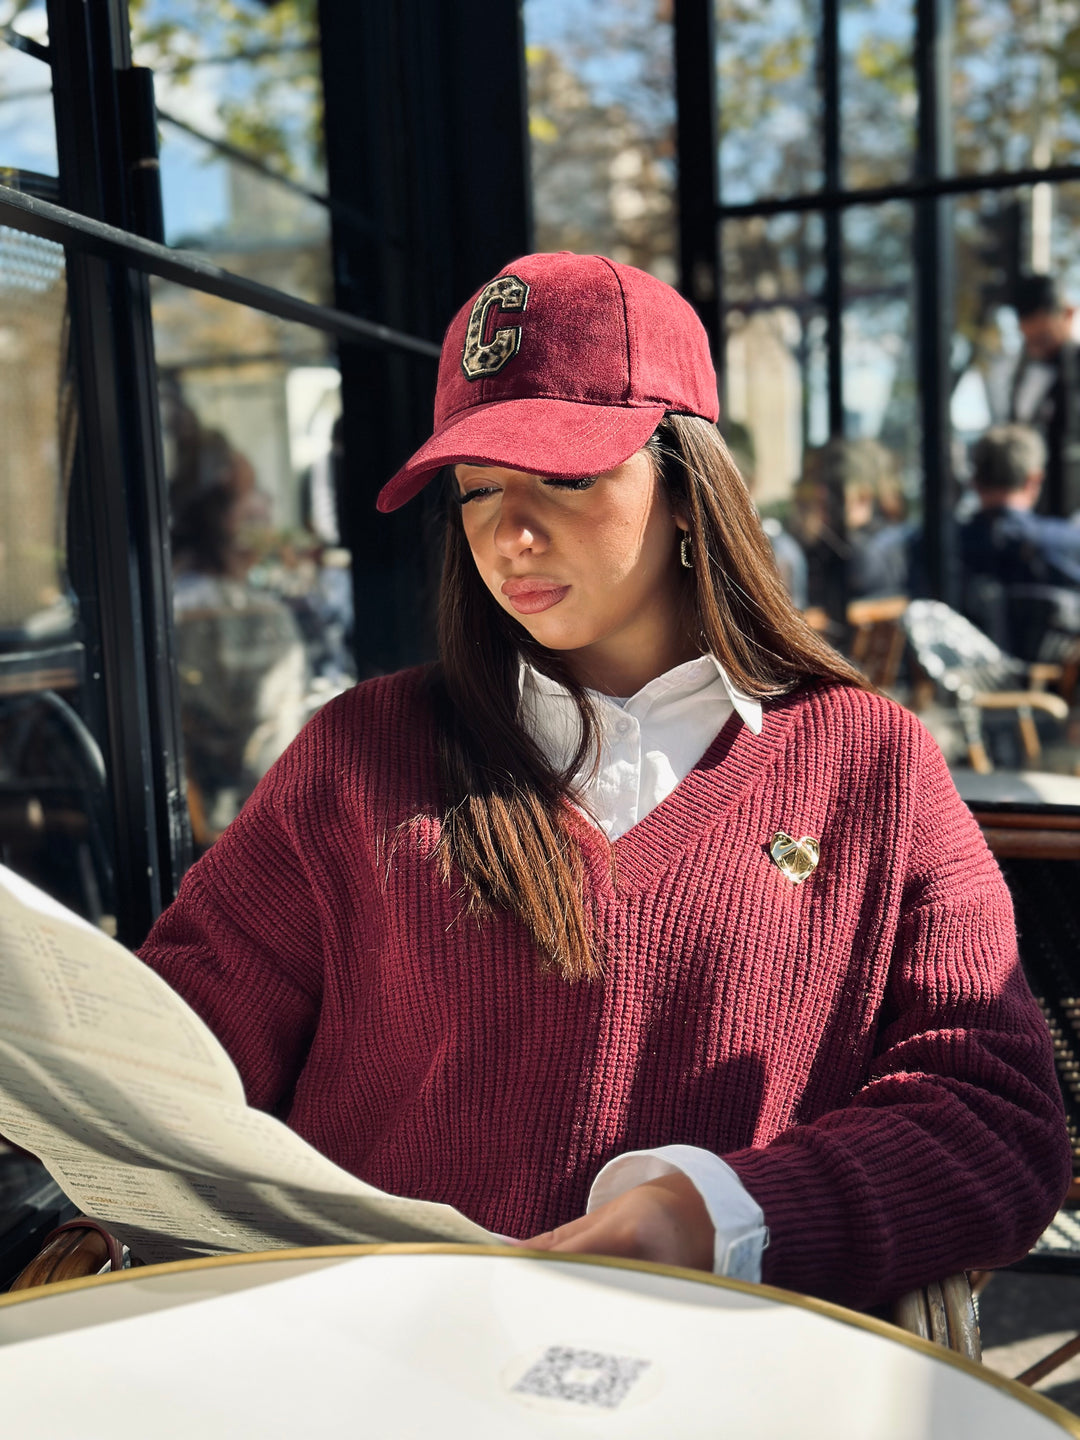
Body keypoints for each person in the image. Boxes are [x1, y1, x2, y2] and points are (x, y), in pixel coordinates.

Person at [138, 252, 1070, 1311]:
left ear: (686, 487)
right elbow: (175, 1051)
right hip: (377, 1369)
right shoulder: (361, 752)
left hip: (716, 1389)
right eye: (478, 487)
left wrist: (717, 1217)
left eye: (566, 475)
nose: (508, 531)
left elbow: (996, 1120)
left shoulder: (870, 765)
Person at [959, 423, 1080, 660]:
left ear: (975, 481)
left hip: (962, 685)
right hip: (1050, 690)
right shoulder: (1066, 543)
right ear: (1034, 480)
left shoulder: (938, 545)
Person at [1010, 273, 1080, 518]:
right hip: (1034, 510)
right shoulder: (1022, 372)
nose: (1036, 347)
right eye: (1029, 340)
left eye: (1043, 338)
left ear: (1068, 315)